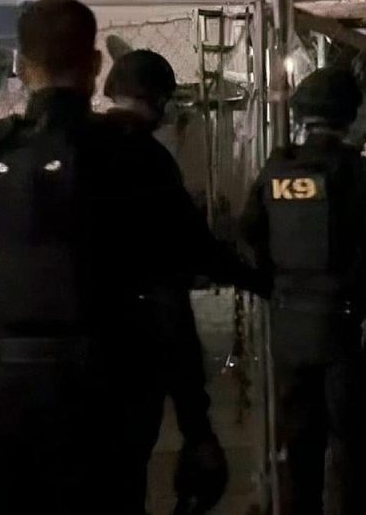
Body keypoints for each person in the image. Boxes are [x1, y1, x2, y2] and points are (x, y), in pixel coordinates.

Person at [0, 0, 224, 514]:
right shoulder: (138, 161)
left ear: (19, 65)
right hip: (106, 403)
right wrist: (197, 426)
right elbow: (169, 296)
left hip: (2, 404)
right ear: (96, 66)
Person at [239, 66, 366, 515]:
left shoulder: (276, 169)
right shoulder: (362, 173)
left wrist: (276, 287)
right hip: (344, 332)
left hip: (289, 330)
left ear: (302, 116)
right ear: (350, 116)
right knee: (351, 452)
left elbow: (247, 237)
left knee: (298, 450)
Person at [103, 48, 242, 514]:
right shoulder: (149, 157)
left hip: (71, 338)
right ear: (159, 100)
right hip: (138, 333)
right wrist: (259, 278)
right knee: (128, 468)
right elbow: (193, 245)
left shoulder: (76, 143)